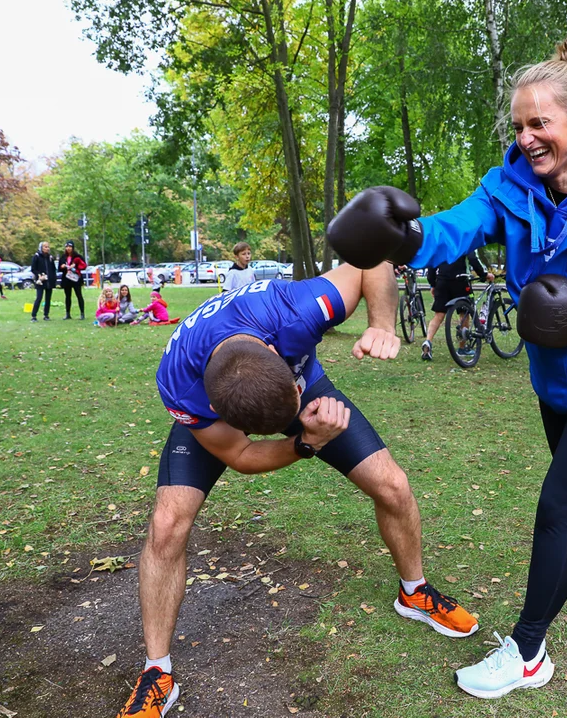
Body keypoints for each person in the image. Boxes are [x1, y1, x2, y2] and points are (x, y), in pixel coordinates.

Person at [326, 35, 567, 700]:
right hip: (555, 383)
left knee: (558, 508)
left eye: (539, 124)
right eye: (518, 126)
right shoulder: (508, 189)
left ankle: (526, 653)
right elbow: (454, 228)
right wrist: (402, 236)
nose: (526, 139)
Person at [113, 264, 478, 718]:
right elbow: (242, 456)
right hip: (224, 412)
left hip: (298, 389)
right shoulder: (181, 384)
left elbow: (372, 262)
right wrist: (306, 442)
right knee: (167, 525)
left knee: (393, 485)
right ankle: (156, 672)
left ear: (277, 350)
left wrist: (382, 324)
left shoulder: (298, 309)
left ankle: (414, 591)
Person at [420, 252, 494, 361]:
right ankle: (462, 348)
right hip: (460, 281)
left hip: (442, 281)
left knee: (439, 315)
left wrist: (433, 284)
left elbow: (432, 264)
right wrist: (484, 274)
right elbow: (473, 258)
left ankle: (428, 341)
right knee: (465, 313)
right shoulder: (464, 236)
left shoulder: (441, 238)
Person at [58, 240, 88, 320]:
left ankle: (82, 313)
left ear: (73, 248)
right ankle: (68, 314)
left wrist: (75, 266)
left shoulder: (77, 256)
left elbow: (84, 265)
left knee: (79, 295)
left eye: (70, 247)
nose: (68, 248)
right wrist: (63, 266)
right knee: (68, 296)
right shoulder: (63, 257)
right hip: (66, 279)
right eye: (67, 247)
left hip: (76, 279)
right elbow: (59, 268)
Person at [29, 241, 56, 322]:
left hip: (49, 281)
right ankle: (34, 316)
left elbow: (53, 269)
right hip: (40, 281)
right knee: (39, 298)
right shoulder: (36, 256)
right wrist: (39, 275)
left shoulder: (50, 257)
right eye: (45, 247)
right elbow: (33, 269)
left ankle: (46, 315)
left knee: (48, 299)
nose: (47, 248)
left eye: (48, 247)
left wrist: (53, 279)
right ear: (41, 248)